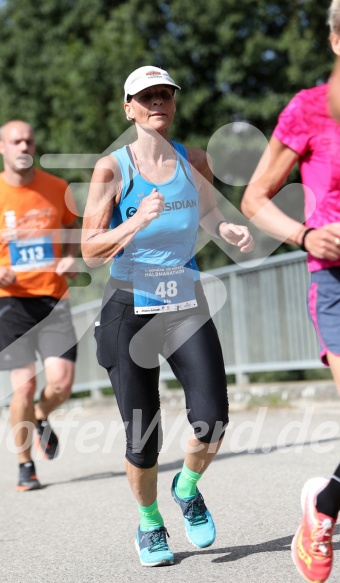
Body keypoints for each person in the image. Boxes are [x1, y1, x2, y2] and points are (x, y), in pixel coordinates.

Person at [81, 65, 254, 567]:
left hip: (183, 299)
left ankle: (188, 486)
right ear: (128, 107)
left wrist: (230, 231)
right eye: (146, 96)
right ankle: (150, 523)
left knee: (213, 418)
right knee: (143, 436)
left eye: (165, 95)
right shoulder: (112, 169)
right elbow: (91, 251)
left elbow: (208, 214)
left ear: (174, 104)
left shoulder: (193, 158)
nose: (158, 102)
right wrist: (134, 221)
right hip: (128, 307)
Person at [241, 3, 340, 581]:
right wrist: (305, 234)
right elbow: (255, 198)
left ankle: (324, 502)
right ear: (334, 40)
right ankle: (321, 508)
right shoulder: (307, 111)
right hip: (334, 281)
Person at [0, 120, 80, 492]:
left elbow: (72, 229)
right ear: (2, 148)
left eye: (28, 139)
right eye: (15, 140)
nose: (22, 145)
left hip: (53, 297)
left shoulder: (56, 188)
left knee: (61, 383)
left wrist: (69, 259)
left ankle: (41, 416)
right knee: (23, 386)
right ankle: (25, 464)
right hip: (8, 301)